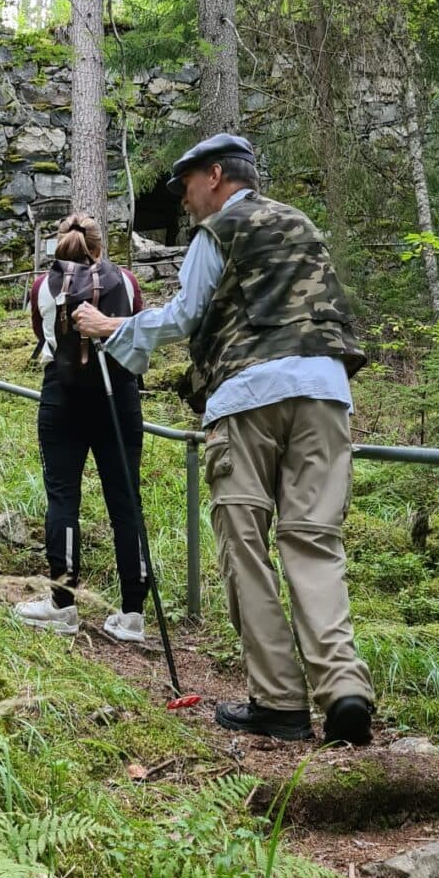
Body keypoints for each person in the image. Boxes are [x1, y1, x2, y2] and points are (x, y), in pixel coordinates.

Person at [74, 134, 375, 745]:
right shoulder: (301, 223)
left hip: (247, 397)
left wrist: (113, 327)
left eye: (186, 184)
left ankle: (280, 702)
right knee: (314, 540)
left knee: (245, 543)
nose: (184, 198)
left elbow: (185, 314)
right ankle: (344, 688)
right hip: (326, 392)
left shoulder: (218, 231)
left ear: (215, 175)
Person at [13, 212, 150, 643]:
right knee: (126, 500)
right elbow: (138, 324)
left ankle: (63, 604)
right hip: (119, 395)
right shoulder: (126, 282)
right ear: (100, 245)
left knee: (63, 497)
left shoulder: (43, 287)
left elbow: (41, 332)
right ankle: (132, 614)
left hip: (63, 395)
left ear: (59, 244)